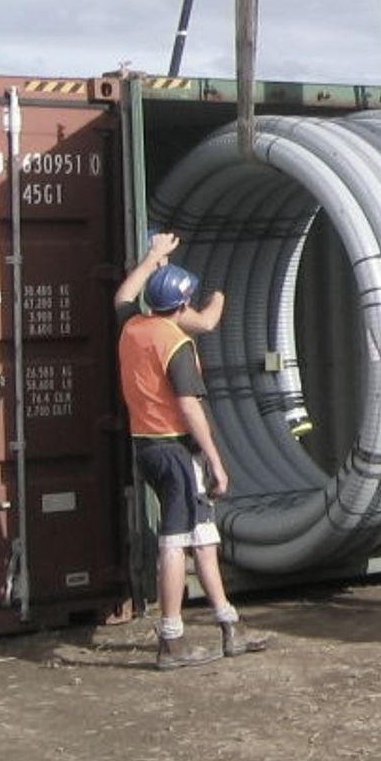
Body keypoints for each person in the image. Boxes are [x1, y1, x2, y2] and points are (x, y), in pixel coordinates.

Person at [114, 231, 267, 670]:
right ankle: (172, 639)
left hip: (147, 446)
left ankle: (229, 624)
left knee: (202, 537)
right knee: (175, 542)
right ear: (181, 306)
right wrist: (215, 460)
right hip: (174, 450)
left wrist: (151, 258)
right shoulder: (175, 344)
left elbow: (124, 295)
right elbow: (190, 406)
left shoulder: (134, 328)